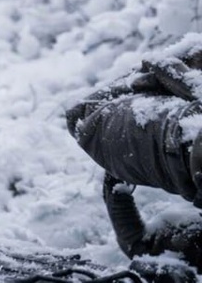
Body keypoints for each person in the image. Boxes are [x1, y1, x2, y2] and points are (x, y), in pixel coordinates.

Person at [67, 38, 202, 276]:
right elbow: (139, 245)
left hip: (132, 131)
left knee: (83, 114)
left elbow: (140, 245)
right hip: (146, 141)